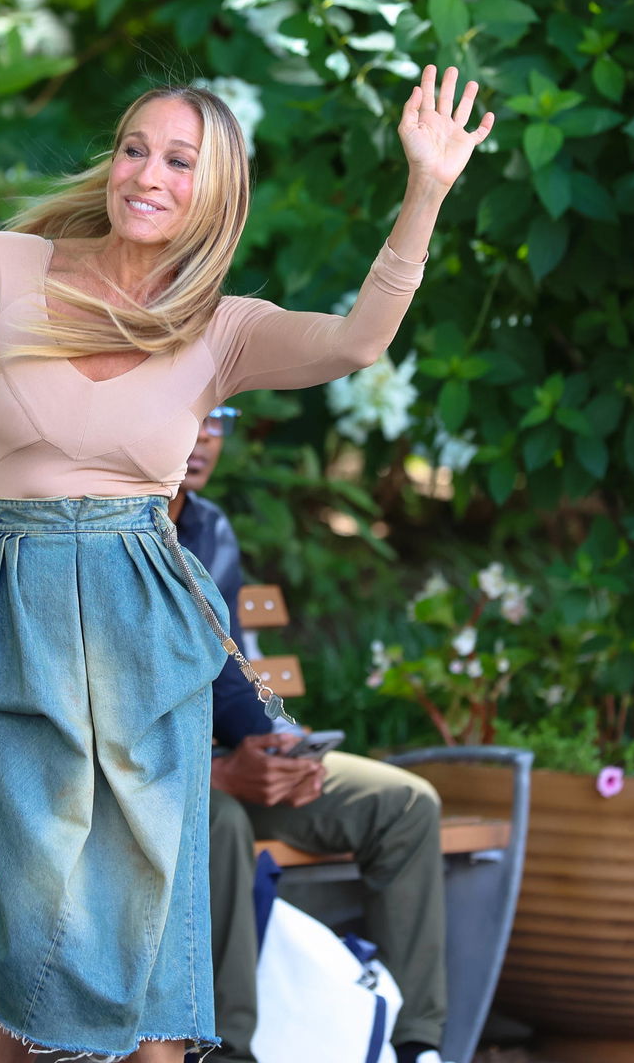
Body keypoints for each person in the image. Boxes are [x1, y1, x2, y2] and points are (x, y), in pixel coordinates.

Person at [0, 65, 493, 1063]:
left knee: (150, 917)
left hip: (145, 626)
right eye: (135, 149)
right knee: (35, 907)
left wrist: (425, 189)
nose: (148, 175)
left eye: (180, 162)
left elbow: (357, 342)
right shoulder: (5, 269)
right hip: (16, 612)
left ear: (215, 192)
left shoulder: (221, 327)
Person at [169, 408, 452, 1063]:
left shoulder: (208, 529)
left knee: (405, 806)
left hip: (213, 763)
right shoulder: (98, 538)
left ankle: (412, 1045)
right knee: (218, 820)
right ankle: (224, 1052)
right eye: (192, 413)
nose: (205, 434)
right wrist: (214, 774)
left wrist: (280, 748)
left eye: (220, 417)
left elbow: (231, 675)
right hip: (136, 779)